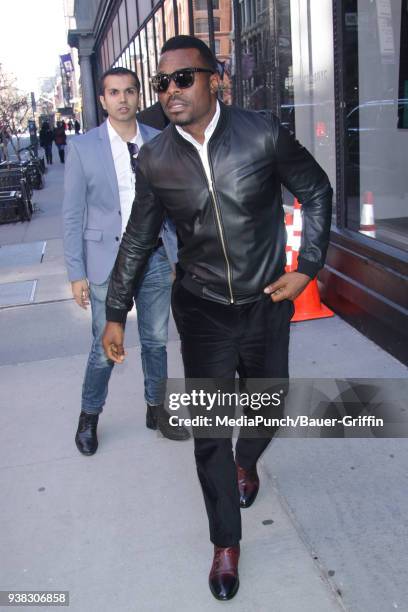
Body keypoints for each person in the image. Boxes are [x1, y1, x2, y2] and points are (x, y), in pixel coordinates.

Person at [102, 36, 332, 601]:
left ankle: (247, 462)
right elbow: (138, 237)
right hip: (202, 311)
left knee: (266, 406)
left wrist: (307, 268)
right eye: (162, 83)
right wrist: (114, 311)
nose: (169, 91)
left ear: (214, 80)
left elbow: (318, 191)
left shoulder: (261, 134)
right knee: (209, 434)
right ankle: (225, 543)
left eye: (182, 78)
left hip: (265, 303)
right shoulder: (155, 159)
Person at [63, 67, 189, 457]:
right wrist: (76, 272)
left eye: (129, 91)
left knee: (155, 340)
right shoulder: (83, 147)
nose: (122, 99)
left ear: (138, 97)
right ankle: (89, 417)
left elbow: (175, 204)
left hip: (153, 257)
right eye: (114, 92)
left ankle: (156, 409)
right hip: (106, 260)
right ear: (102, 100)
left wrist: (174, 254)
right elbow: (72, 214)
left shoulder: (161, 140)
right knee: (104, 347)